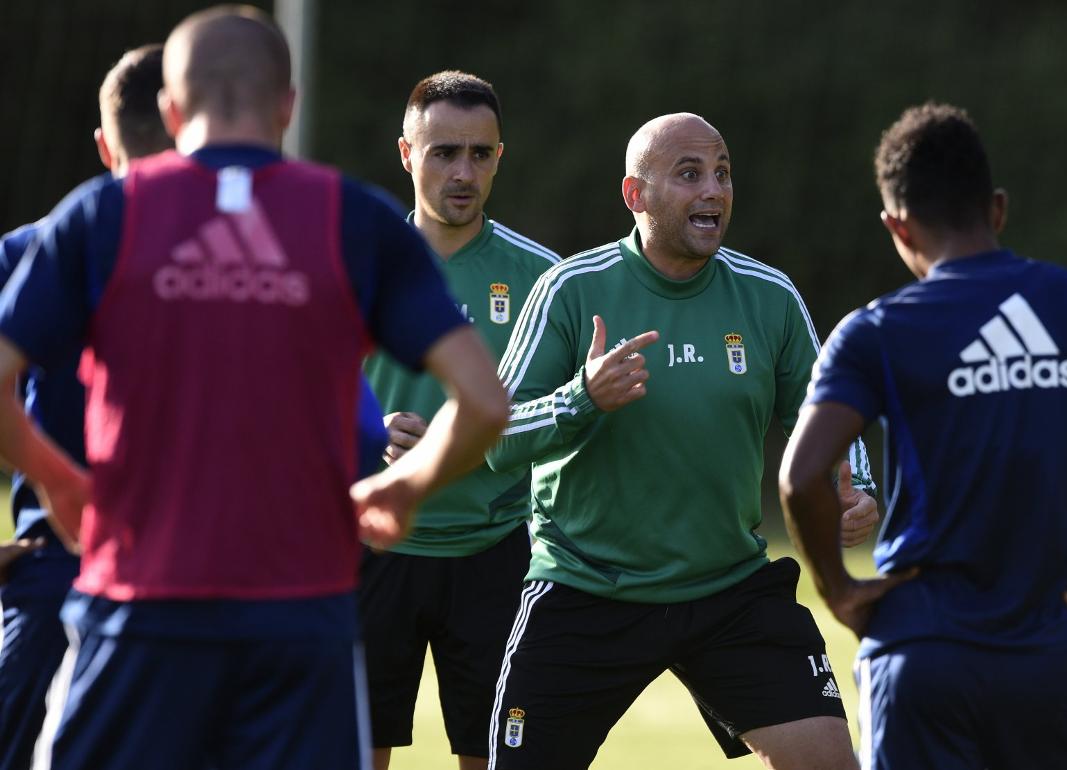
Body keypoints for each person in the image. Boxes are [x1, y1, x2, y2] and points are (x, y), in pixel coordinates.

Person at [0, 7, 507, 769]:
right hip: (303, 623)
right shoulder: (356, 220)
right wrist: (405, 488)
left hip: (138, 610)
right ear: (287, 105)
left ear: (171, 111)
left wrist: (60, 482)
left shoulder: (102, 214)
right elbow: (486, 402)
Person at [779, 102, 1067, 770]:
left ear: (896, 226)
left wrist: (840, 591)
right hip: (1046, 660)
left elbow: (800, 476)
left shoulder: (876, 330)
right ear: (996, 209)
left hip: (919, 658)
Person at [485, 112, 876, 770]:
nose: (714, 190)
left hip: (728, 588)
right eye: (689, 174)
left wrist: (856, 484)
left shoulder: (767, 295)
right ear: (636, 195)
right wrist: (580, 398)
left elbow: (828, 409)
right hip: (587, 587)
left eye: (722, 173)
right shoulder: (571, 291)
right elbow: (495, 434)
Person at [359, 71, 559, 770]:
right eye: (444, 152)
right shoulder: (356, 265)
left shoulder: (543, 280)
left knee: (493, 758)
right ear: (407, 154)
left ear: (501, 156)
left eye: (480, 153)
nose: (463, 171)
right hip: (373, 547)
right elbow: (299, 396)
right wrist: (365, 431)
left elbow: (564, 420)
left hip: (497, 549)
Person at [0, 44, 173, 770]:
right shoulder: (253, 264)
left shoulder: (26, 249)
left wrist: (54, 484)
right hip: (201, 581)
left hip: (56, 568)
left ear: (105, 144)